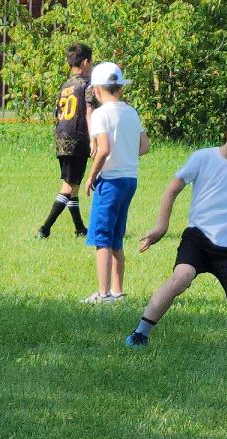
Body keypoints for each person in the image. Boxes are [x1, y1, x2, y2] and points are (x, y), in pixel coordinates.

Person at [126, 106, 227, 348]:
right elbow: (172, 189)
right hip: (197, 237)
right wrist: (161, 227)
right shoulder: (203, 158)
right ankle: (141, 333)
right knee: (181, 276)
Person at [79, 62, 148, 303]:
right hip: (130, 180)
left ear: (97, 90)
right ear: (120, 88)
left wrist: (91, 176)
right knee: (117, 236)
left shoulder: (100, 114)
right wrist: (126, 154)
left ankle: (103, 292)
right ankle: (118, 291)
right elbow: (145, 146)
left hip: (109, 182)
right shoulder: (131, 112)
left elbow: (104, 148)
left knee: (102, 238)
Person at [37, 43, 96, 239]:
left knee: (73, 184)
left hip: (61, 135)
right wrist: (94, 137)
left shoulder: (66, 84)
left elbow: (57, 112)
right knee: (69, 186)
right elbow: (90, 112)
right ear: (86, 62)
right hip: (78, 137)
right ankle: (44, 228)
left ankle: (80, 228)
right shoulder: (87, 85)